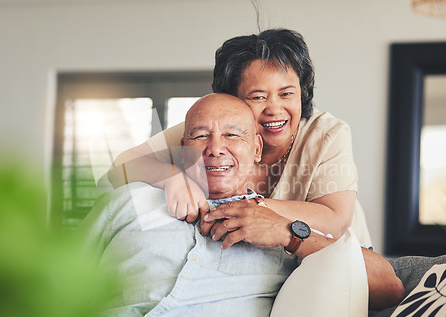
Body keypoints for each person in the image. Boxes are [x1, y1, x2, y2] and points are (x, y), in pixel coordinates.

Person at [82, 94, 404, 317]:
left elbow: (388, 286)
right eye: (200, 135)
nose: (215, 148)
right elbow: (52, 281)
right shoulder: (130, 200)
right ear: (182, 146)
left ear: (257, 149)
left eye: (233, 135)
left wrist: (287, 233)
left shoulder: (278, 230)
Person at [107, 28, 371, 245]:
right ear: (231, 99)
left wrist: (251, 209)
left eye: (287, 93)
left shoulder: (326, 133)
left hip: (337, 257)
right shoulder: (209, 131)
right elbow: (120, 167)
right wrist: (171, 177)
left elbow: (334, 219)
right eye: (258, 96)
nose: (275, 109)